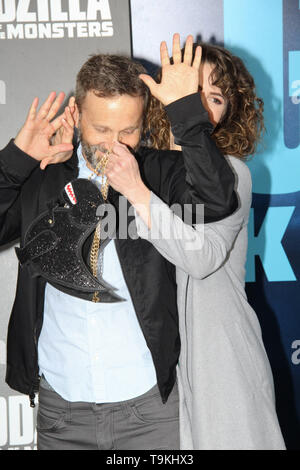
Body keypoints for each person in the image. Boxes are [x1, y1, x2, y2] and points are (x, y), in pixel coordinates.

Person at [0, 34, 238, 450]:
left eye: (128, 130)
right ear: (77, 114)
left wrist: (183, 116)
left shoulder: (161, 173)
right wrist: (18, 158)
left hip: (148, 412)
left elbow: (218, 201)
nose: (114, 143)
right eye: (101, 128)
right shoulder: (44, 177)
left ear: (145, 122)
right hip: (62, 413)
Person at [115, 40, 286, 449]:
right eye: (190, 92)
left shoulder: (232, 174)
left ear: (230, 113)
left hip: (220, 362)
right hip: (153, 379)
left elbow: (200, 257)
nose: (198, 106)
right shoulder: (141, 170)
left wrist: (138, 194)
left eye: (214, 98)